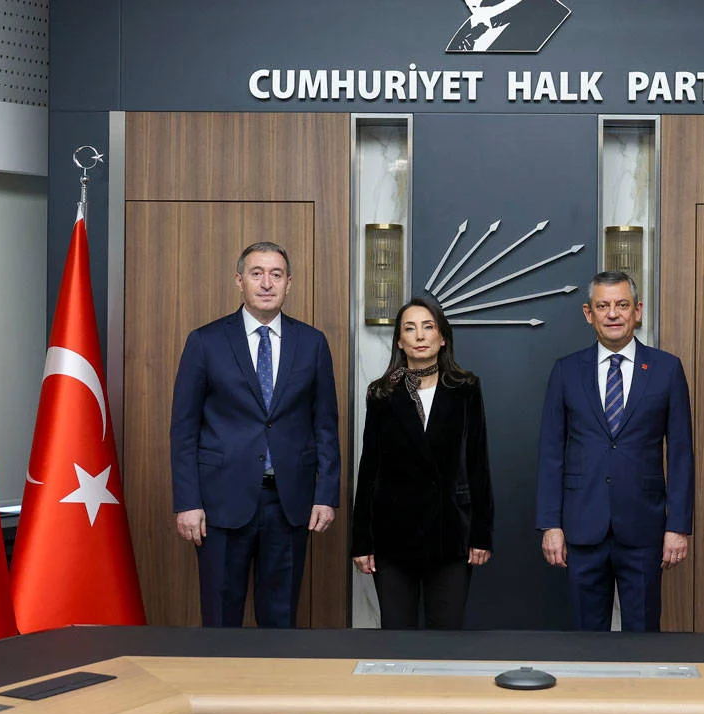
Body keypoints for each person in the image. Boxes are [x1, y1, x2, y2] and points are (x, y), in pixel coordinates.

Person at [170, 241, 341, 628]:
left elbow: (325, 425)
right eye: (257, 274)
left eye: (276, 275)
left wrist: (326, 495)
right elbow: (183, 430)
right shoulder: (206, 341)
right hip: (219, 503)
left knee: (280, 619)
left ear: (289, 283)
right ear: (239, 281)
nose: (267, 283)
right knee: (220, 617)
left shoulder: (312, 343)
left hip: (289, 502)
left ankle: (275, 672)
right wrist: (187, 501)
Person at [535, 270, 694, 631]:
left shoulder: (667, 369)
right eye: (603, 306)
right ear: (588, 313)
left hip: (644, 528)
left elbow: (681, 454)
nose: (612, 314)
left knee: (643, 637)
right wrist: (550, 524)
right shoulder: (566, 371)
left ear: (637, 311)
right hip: (582, 527)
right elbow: (550, 453)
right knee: (587, 642)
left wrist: (678, 526)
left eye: (622, 305)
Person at [351, 297, 494, 630]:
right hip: (392, 537)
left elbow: (478, 464)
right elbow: (369, 469)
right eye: (410, 329)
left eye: (428, 327)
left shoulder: (465, 389)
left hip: (450, 535)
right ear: (400, 341)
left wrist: (481, 534)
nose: (419, 336)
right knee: (396, 639)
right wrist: (362, 541)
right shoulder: (382, 394)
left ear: (442, 337)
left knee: (445, 639)